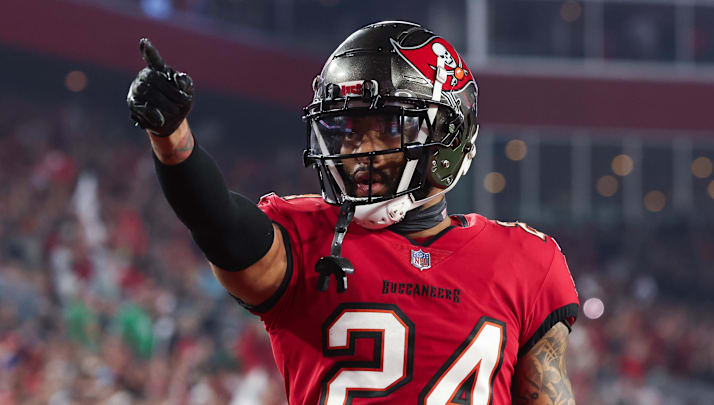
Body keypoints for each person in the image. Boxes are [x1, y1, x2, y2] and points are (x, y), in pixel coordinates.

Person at [127, 21, 580, 404]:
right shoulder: (307, 238)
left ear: (447, 136)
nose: (357, 149)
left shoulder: (527, 262)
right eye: (347, 129)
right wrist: (172, 139)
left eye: (386, 127)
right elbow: (219, 223)